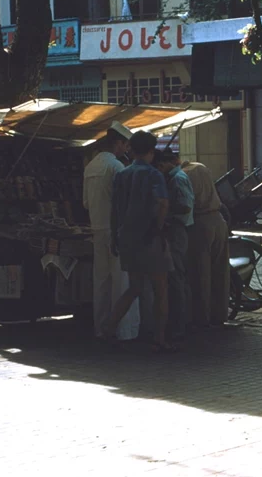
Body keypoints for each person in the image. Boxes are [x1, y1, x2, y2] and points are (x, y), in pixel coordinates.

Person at [104, 131, 174, 353]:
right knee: (160, 289)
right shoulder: (154, 175)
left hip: (127, 238)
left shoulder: (122, 175)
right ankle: (159, 337)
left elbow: (115, 210)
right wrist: (158, 227)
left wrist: (115, 236)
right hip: (150, 238)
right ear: (152, 151)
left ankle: (109, 329)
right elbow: (162, 203)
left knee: (134, 288)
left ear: (132, 150)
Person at [83, 122, 139, 342]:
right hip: (116, 231)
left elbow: (86, 203)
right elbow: (126, 204)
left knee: (102, 281)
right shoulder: (116, 167)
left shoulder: (90, 167)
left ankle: (101, 327)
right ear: (118, 143)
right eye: (125, 145)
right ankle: (124, 330)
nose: (127, 150)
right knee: (121, 281)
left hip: (97, 229)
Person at [182, 159, 230, 328]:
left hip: (200, 222)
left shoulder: (184, 175)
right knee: (220, 271)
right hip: (218, 219)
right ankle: (220, 314)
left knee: (201, 273)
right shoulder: (200, 167)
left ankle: (202, 318)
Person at [154, 148, 194, 338]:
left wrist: (165, 209)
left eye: (160, 166)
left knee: (176, 277)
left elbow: (185, 206)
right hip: (176, 230)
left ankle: (179, 324)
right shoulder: (174, 177)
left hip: (178, 230)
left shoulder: (177, 179)